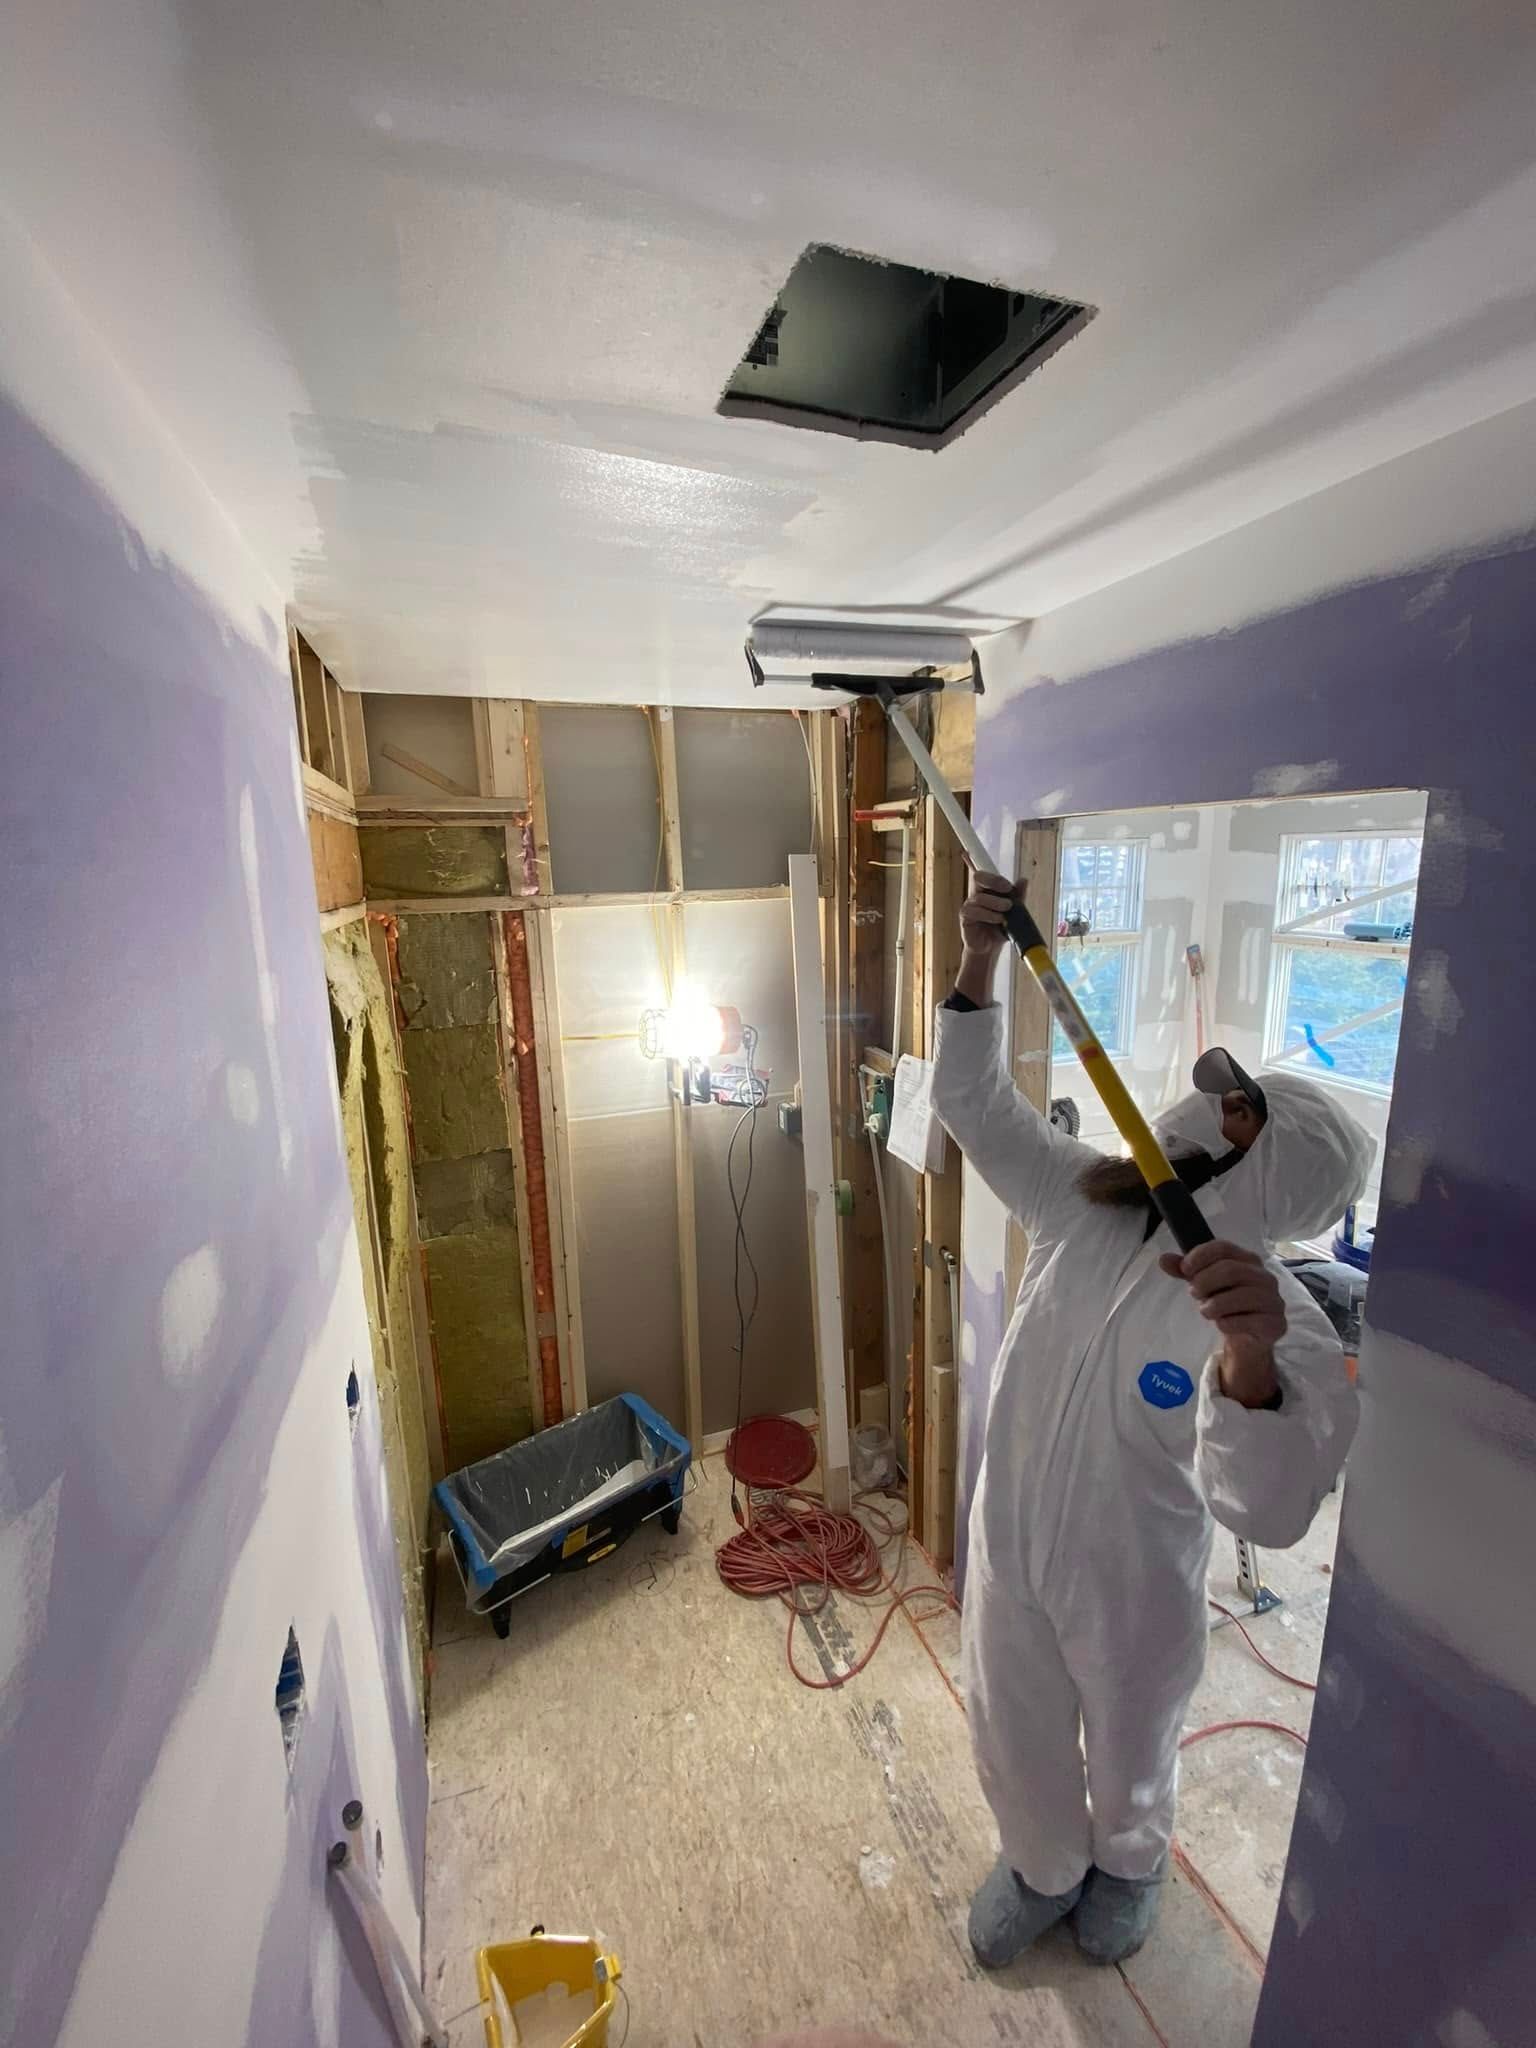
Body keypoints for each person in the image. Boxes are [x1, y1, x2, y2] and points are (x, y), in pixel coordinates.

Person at [930, 870, 1372, 1969]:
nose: (1199, 1103)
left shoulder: (1281, 1317)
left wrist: (1250, 1358)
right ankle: (1040, 1862)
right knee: (1010, 1722)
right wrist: (977, 959)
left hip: (1132, 1583)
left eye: (1235, 1107)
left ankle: (1128, 1861)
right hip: (1011, 1537)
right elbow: (975, 1108)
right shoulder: (1082, 1192)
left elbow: (1267, 1512)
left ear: (1265, 1158)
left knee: (1131, 1747)